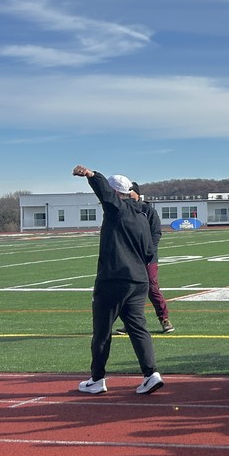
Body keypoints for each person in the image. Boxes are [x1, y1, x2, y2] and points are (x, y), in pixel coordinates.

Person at [71, 166, 164, 396]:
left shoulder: (117, 210)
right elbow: (150, 252)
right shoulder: (142, 216)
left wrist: (92, 175)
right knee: (138, 328)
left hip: (114, 279)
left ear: (115, 193)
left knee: (102, 331)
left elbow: (105, 193)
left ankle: (97, 379)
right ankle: (151, 373)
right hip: (139, 280)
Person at [130, 183, 172, 333]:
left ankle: (164, 319)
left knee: (152, 287)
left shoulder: (148, 210)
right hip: (129, 257)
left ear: (137, 194)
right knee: (129, 290)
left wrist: (148, 252)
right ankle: (131, 322)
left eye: (130, 192)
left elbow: (156, 233)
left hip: (147, 257)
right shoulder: (124, 210)